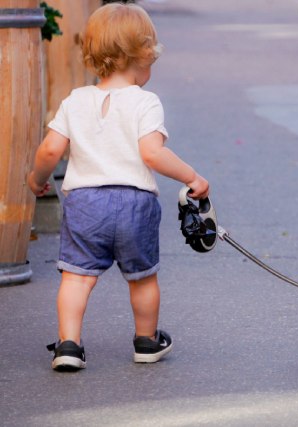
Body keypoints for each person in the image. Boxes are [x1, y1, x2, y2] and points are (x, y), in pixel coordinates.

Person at [28, 3, 209, 371]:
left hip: (85, 203)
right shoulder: (146, 103)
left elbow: (50, 148)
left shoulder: (76, 100)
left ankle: (68, 345)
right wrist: (192, 177)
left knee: (77, 278)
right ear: (142, 56)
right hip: (134, 203)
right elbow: (152, 154)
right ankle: (146, 340)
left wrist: (37, 179)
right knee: (142, 279)